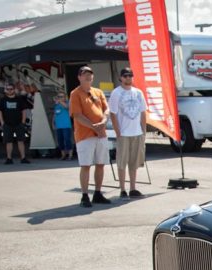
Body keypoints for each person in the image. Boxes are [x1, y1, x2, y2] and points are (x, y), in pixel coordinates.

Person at [69, 66, 111, 207]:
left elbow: (106, 109)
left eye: (90, 74)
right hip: (85, 135)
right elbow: (77, 115)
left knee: (101, 163)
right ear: (79, 77)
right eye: (85, 74)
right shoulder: (75, 94)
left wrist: (104, 121)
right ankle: (85, 195)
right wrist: (94, 126)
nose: (88, 77)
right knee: (86, 165)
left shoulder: (98, 92)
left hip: (101, 134)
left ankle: (98, 193)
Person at [109, 67, 148, 199]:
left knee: (134, 162)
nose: (128, 78)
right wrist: (117, 131)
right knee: (122, 161)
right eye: (125, 76)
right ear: (121, 78)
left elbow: (143, 112)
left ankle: (133, 187)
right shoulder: (116, 93)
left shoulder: (138, 92)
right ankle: (122, 189)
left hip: (136, 132)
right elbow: (112, 114)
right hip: (124, 133)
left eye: (130, 76)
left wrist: (143, 130)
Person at [0, 82, 30, 164]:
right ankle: (9, 158)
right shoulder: (2, 100)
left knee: (21, 141)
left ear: (14, 90)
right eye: (7, 89)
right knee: (8, 141)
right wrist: (2, 123)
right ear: (5, 90)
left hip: (19, 123)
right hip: (7, 124)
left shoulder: (19, 99)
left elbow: (24, 111)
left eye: (11, 89)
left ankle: (23, 158)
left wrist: (22, 122)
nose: (9, 91)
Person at [53, 91, 73, 161]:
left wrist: (60, 101)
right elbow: (55, 114)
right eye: (58, 97)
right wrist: (53, 122)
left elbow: (67, 107)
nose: (60, 98)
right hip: (59, 126)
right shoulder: (56, 105)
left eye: (61, 96)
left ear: (65, 97)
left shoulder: (67, 103)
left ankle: (70, 155)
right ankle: (63, 155)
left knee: (67, 140)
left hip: (66, 125)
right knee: (60, 140)